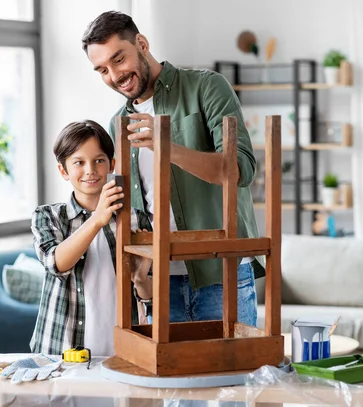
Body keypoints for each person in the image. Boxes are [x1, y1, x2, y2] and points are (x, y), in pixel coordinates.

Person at [82, 11, 264, 326]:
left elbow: (241, 170)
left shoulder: (206, 87)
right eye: (102, 70)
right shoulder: (118, 124)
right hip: (159, 282)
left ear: (141, 43)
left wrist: (167, 147)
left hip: (220, 273)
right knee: (165, 377)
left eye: (119, 59)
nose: (114, 75)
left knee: (234, 374)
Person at [30, 119, 152, 357]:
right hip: (60, 354)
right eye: (79, 162)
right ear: (63, 170)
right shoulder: (48, 216)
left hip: (121, 352)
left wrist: (139, 278)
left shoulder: (137, 220)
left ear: (112, 165)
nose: (90, 170)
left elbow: (150, 299)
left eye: (99, 161)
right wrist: (98, 218)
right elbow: (56, 264)